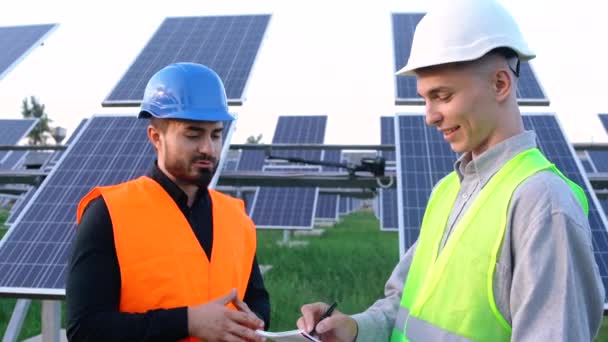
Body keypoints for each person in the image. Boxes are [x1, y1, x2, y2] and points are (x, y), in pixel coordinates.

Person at [298, 0, 605, 341]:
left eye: (442, 96)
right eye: (425, 99)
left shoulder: (542, 203)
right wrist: (354, 328)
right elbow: (406, 306)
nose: (429, 116)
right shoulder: (447, 191)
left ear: (501, 84)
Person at [66, 63, 270, 341]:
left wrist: (252, 322)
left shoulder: (237, 218)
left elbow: (257, 301)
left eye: (216, 134)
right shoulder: (109, 213)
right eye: (193, 134)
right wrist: (188, 322)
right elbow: (86, 329)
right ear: (156, 137)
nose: (208, 148)